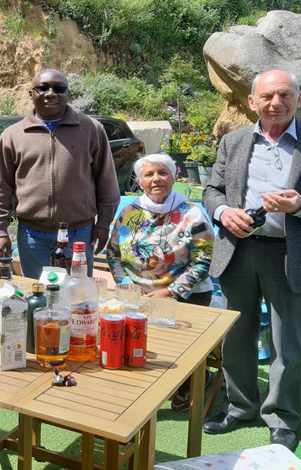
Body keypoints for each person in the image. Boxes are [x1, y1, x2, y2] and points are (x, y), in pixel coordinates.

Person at [202, 70, 301, 451]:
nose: (276, 103)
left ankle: (282, 417)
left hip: (293, 253)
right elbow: (212, 189)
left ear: (299, 99)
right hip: (239, 250)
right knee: (236, 337)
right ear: (252, 102)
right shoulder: (233, 141)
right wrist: (223, 212)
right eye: (267, 96)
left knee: (287, 342)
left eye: (285, 95)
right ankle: (240, 406)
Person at [0, 68, 120, 279]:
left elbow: (106, 180)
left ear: (68, 94)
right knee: (38, 297)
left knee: (76, 297)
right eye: (42, 88)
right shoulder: (13, 135)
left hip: (79, 233)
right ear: (30, 93)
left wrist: (103, 224)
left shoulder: (91, 129)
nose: (50, 93)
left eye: (59, 88)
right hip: (32, 235)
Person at [107, 152, 214, 412]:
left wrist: (170, 291)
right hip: (135, 294)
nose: (156, 179)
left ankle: (196, 377)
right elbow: (113, 253)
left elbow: (203, 260)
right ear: (139, 180)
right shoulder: (129, 212)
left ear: (173, 176)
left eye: (162, 173)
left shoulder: (191, 214)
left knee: (178, 348)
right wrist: (125, 284)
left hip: (184, 293)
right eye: (149, 174)